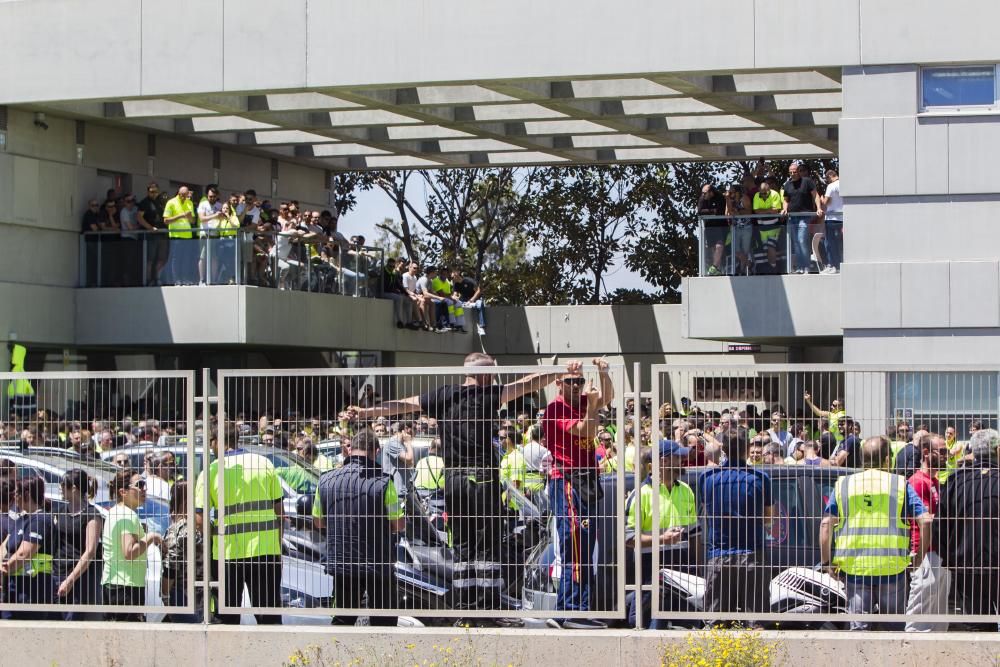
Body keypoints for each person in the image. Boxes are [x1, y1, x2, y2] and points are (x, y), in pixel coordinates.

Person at [348, 353, 575, 621]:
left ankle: (465, 609)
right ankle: (487, 608)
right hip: (482, 478)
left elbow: (402, 405)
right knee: (487, 546)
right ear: (484, 374)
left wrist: (365, 412)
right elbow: (527, 383)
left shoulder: (445, 396)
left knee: (463, 546)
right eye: (491, 372)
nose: (493, 377)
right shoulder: (489, 393)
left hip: (453, 480)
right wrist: (560, 371)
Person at [819, 436, 930, 631]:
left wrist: (827, 562)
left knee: (859, 630)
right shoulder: (899, 484)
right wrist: (919, 557)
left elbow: (826, 524)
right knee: (892, 629)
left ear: (862, 460)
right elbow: (926, 520)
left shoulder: (844, 484)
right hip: (892, 569)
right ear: (887, 460)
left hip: (856, 570)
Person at [542, 358, 614, 630]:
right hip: (568, 480)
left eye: (580, 381)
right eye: (570, 381)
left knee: (585, 545)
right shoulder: (555, 409)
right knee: (574, 544)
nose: (576, 386)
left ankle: (580, 608)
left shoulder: (585, 402)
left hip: (586, 479)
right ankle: (571, 610)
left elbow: (607, 396)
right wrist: (593, 406)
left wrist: (604, 374)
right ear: (559, 383)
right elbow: (587, 429)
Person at [312, 429, 404, 626]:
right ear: (376, 451)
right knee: (384, 620)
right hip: (378, 563)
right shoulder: (384, 482)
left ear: (349, 449)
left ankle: (336, 656)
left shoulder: (326, 480)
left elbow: (318, 522)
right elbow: (398, 524)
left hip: (342, 561)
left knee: (343, 619)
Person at [194, 428, 284, 625]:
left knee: (225, 617)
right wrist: (277, 547)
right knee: (268, 615)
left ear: (216, 441)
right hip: (265, 551)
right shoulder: (263, 463)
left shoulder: (211, 471)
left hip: (227, 554)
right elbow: (279, 511)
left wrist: (212, 541)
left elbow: (199, 519)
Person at [696, 443, 774, 625]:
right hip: (752, 553)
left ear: (725, 451)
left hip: (718, 554)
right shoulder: (760, 478)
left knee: (716, 620)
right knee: (757, 619)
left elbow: (705, 510)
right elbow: (769, 518)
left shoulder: (707, 477)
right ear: (747, 450)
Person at [625, 441, 698, 629]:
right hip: (651, 567)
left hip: (682, 566)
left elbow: (694, 532)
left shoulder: (686, 490)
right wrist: (662, 539)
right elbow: (629, 538)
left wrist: (697, 567)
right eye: (677, 457)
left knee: (684, 625)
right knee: (648, 623)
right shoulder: (641, 494)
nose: (682, 460)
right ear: (663, 461)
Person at [935, 428, 1000, 630]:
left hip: (967, 563)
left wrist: (949, 559)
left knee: (977, 623)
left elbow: (940, 525)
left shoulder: (956, 481)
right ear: (998, 451)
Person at [904, 434, 951, 632]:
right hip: (924, 551)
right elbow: (925, 518)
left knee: (938, 614)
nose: (946, 456)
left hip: (937, 551)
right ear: (925, 453)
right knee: (920, 610)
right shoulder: (917, 481)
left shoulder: (933, 481)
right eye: (941, 452)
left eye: (946, 452)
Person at [102, 469, 162, 621]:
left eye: (144, 484)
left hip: (116, 583)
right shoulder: (127, 515)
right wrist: (150, 537)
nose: (144, 489)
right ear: (123, 491)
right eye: (139, 485)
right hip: (126, 587)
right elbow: (129, 552)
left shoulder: (116, 511)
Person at [0, 477, 58, 619]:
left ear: (27, 494)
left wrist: (4, 570)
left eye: (17, 493)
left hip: (32, 590)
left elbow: (24, 554)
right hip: (13, 588)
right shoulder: (22, 519)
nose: (15, 497)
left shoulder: (41, 520)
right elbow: (5, 545)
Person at [53, 469, 104, 620]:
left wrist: (69, 580)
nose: (60, 488)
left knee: (73, 625)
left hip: (79, 578)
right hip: (57, 574)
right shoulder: (59, 512)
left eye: (63, 484)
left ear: (73, 488)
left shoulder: (91, 515)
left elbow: (90, 552)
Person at [161, 481, 204, 623]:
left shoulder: (180, 529)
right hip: (197, 595)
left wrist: (165, 594)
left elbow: (171, 565)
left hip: (182, 594)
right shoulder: (199, 529)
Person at [782, 161, 823, 274]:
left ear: (799, 171)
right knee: (796, 242)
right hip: (792, 217)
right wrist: (784, 209)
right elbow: (786, 200)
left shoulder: (807, 181)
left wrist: (819, 208)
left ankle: (806, 266)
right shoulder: (787, 185)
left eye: (795, 172)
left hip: (804, 216)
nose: (793, 174)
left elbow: (815, 195)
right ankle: (800, 267)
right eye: (791, 172)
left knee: (801, 240)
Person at [163, 186, 197, 285]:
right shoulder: (171, 202)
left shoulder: (189, 202)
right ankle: (176, 280)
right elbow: (166, 220)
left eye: (187, 195)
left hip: (187, 236)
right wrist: (181, 216)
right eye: (183, 195)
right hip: (176, 235)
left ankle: (185, 279)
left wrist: (190, 217)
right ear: (179, 193)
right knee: (176, 258)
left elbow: (193, 221)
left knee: (186, 258)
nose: (185, 197)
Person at [137, 182, 168, 285]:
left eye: (155, 192)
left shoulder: (160, 202)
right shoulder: (144, 202)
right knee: (150, 259)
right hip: (151, 235)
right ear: (148, 191)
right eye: (151, 192)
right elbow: (139, 217)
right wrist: (150, 228)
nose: (153, 194)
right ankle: (149, 280)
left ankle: (157, 278)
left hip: (162, 234)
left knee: (162, 258)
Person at [379, 421, 415, 502]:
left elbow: (411, 463)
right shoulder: (393, 443)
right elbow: (409, 459)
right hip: (396, 491)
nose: (415, 432)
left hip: (405, 490)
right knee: (398, 514)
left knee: (419, 513)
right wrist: (409, 443)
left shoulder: (402, 444)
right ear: (406, 429)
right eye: (414, 429)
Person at [818, 168, 843, 274]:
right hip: (842, 217)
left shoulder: (831, 186)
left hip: (832, 218)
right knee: (840, 243)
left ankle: (833, 265)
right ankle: (840, 264)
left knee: (830, 243)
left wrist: (821, 199)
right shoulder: (843, 184)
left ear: (829, 176)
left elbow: (826, 202)